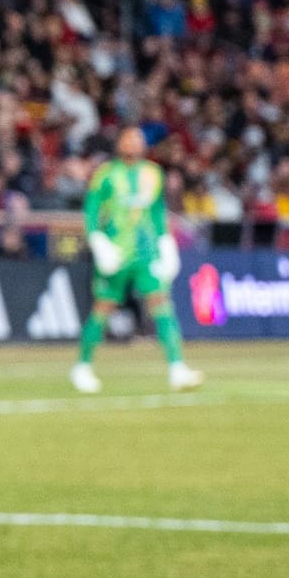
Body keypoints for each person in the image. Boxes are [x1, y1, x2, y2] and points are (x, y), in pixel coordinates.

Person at [71, 127, 204, 394]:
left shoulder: (153, 174)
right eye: (129, 138)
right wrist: (97, 241)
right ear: (119, 143)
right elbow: (92, 209)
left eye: (138, 139)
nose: (134, 142)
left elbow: (157, 212)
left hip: (146, 253)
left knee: (162, 304)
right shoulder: (106, 174)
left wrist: (166, 243)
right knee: (103, 307)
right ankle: (82, 366)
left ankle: (177, 368)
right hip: (116, 251)